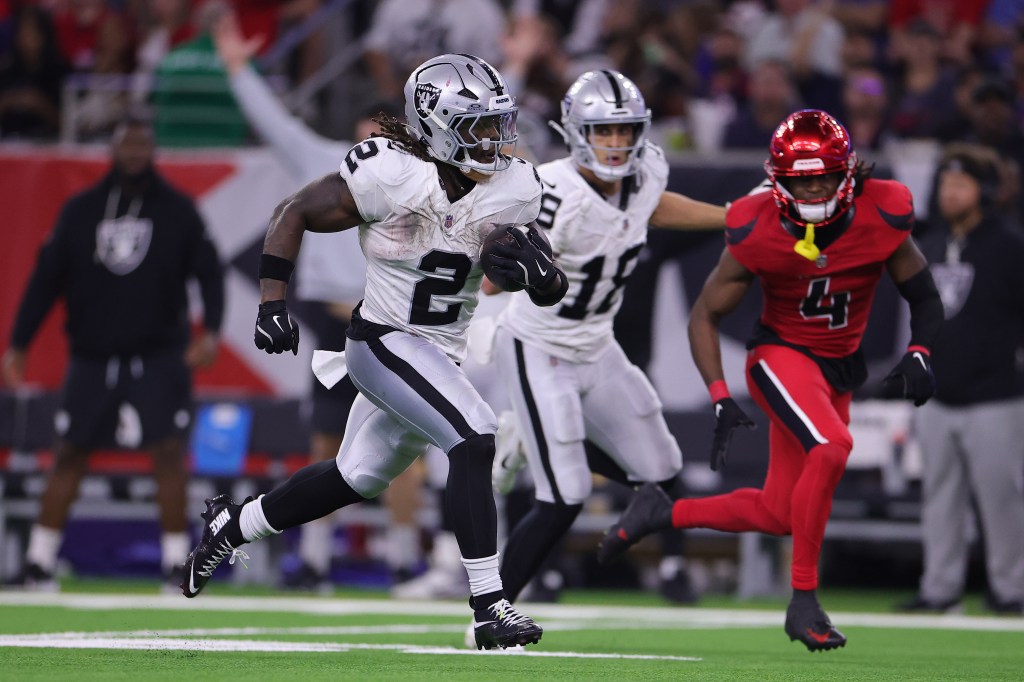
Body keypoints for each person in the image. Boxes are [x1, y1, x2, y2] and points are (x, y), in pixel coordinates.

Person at [180, 53, 568, 651]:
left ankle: (233, 524)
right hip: (382, 341)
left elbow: (530, 279)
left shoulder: (514, 188)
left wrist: (543, 278)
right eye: (480, 125)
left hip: (437, 353)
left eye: (498, 123)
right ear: (438, 127)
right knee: (475, 434)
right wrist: (271, 302)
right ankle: (489, 607)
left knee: (354, 476)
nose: (495, 138)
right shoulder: (390, 173)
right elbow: (294, 212)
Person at [597, 109, 943, 652]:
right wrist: (718, 394)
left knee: (780, 512)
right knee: (831, 448)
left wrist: (921, 350)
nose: (815, 190)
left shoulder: (883, 210)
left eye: (825, 177)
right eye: (802, 181)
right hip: (781, 356)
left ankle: (662, 511)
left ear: (848, 173)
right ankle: (803, 601)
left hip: (838, 369)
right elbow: (705, 315)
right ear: (778, 180)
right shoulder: (755, 225)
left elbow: (922, 294)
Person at [483, 69, 726, 614]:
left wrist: (730, 217)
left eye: (624, 130)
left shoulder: (647, 173)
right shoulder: (550, 191)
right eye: (603, 131)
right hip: (539, 345)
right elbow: (493, 279)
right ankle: (489, 614)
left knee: (663, 474)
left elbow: (651, 207)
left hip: (598, 345)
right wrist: (519, 261)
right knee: (565, 495)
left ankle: (531, 437)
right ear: (576, 132)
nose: (615, 143)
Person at [2, 112, 224, 591]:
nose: (135, 153)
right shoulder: (81, 210)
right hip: (92, 356)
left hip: (158, 355)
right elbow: (45, 280)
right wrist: (19, 343)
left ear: (153, 149)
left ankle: (176, 565)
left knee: (168, 454)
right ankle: (39, 563)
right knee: (69, 453)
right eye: (127, 144)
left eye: (143, 144)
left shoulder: (178, 210)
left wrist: (211, 330)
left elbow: (210, 272)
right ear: (113, 148)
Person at [898, 144, 1024, 616]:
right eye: (946, 183)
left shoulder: (1010, 246)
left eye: (961, 184)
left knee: (1003, 499)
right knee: (938, 497)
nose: (950, 193)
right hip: (937, 394)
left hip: (996, 397)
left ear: (985, 191)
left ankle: (1011, 589)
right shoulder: (928, 244)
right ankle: (940, 588)